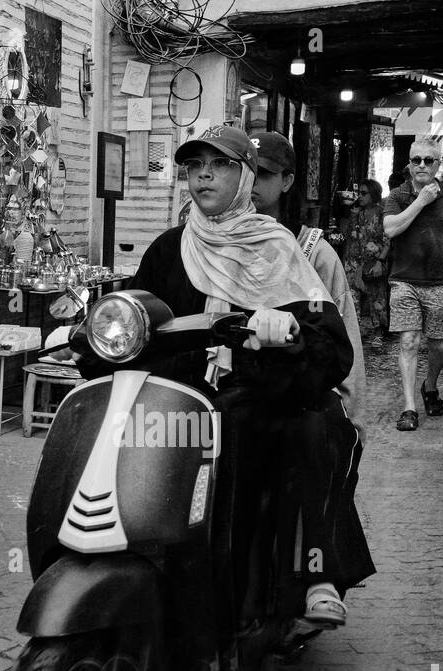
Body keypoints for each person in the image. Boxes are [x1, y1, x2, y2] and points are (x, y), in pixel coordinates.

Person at [125, 125, 362, 644]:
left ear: (246, 176)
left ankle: (304, 575)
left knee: (308, 429)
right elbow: (136, 313)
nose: (204, 174)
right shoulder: (169, 249)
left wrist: (291, 333)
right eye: (194, 165)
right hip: (177, 401)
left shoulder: (277, 248)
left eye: (221, 164)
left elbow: (331, 345)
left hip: (255, 399)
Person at [249, 130, 375, 626]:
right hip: (229, 388)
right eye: (246, 172)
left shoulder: (314, 251)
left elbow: (345, 340)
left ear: (287, 181)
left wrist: (351, 411)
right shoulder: (206, 241)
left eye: (263, 175)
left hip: (301, 392)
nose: (252, 185)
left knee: (313, 442)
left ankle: (315, 576)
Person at [382, 135, 443, 431]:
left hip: (441, 280)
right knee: (408, 341)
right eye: (415, 160)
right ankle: (409, 407)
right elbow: (391, 230)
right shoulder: (397, 196)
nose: (421, 165)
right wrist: (421, 202)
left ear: (438, 164)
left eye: (428, 160)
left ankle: (430, 385)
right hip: (404, 280)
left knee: (438, 345)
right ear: (408, 165)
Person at [342, 179, 390, 338]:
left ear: (374, 194)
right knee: (352, 297)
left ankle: (378, 332)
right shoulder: (356, 213)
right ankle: (354, 330)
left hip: (372, 260)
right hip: (353, 260)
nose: (360, 196)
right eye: (359, 193)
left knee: (376, 297)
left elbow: (388, 239)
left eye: (364, 193)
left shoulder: (382, 213)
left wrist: (380, 260)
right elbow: (348, 237)